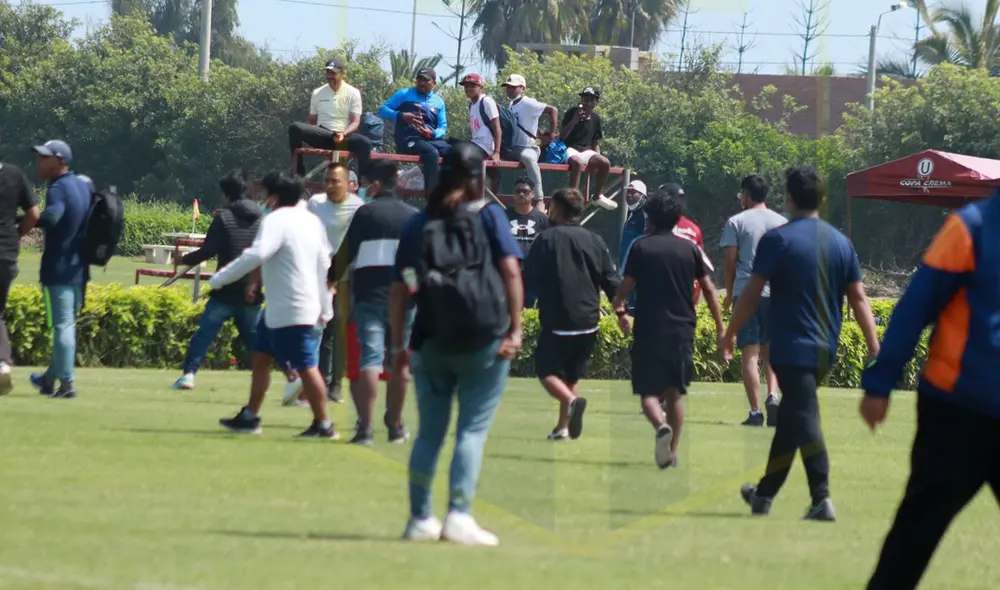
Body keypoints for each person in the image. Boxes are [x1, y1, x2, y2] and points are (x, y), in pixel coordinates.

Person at [720, 167, 880, 522]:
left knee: (805, 418)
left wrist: (729, 333)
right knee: (793, 417)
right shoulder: (841, 242)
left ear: (789, 199)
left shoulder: (778, 240)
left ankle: (821, 498)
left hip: (792, 347)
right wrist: (873, 346)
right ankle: (763, 495)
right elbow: (859, 299)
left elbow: (749, 295)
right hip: (826, 348)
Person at [859, 191, 1000, 589]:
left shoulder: (970, 226)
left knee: (914, 533)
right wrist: (880, 382)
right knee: (915, 534)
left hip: (958, 404)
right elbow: (915, 308)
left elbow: (913, 309)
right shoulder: (969, 228)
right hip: (958, 412)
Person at [391, 141, 523, 546]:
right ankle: (459, 515)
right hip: (485, 337)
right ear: (477, 178)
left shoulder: (417, 222)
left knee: (429, 433)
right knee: (471, 431)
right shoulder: (489, 217)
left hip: (431, 338)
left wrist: (399, 344)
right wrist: (515, 329)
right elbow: (511, 272)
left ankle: (419, 519)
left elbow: (404, 285)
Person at [214, 171, 337, 439]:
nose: (261, 199)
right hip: (281, 308)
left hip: (292, 308)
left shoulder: (276, 220)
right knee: (260, 357)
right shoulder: (311, 221)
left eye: (264, 194)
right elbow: (324, 264)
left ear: (274, 197)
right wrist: (326, 304)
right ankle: (250, 417)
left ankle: (324, 425)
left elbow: (257, 254)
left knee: (306, 366)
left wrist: (221, 278)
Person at [612, 192, 725, 469]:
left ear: (649, 219)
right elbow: (709, 290)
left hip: (649, 327)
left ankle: (660, 425)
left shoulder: (641, 247)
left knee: (648, 392)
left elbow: (624, 289)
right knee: (675, 393)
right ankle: (671, 454)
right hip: (682, 328)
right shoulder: (690, 249)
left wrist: (620, 311)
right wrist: (722, 328)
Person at [330, 160, 418, 445]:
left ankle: (365, 429)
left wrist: (330, 278)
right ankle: (394, 426)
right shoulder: (412, 216)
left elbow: (344, 255)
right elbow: (418, 264)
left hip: (368, 297)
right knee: (399, 365)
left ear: (376, 185)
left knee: (369, 360)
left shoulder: (365, 213)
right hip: (403, 302)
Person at [526, 188, 619, 441]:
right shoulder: (595, 240)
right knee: (570, 374)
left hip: (559, 318)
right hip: (589, 321)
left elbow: (528, 280)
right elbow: (611, 279)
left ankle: (572, 400)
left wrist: (516, 308)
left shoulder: (545, 239)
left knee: (546, 372)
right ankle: (562, 428)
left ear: (557, 209)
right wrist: (621, 312)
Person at [172, 170, 263, 391]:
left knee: (204, 335)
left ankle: (189, 375)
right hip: (251, 288)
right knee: (257, 342)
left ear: (226, 195)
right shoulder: (262, 217)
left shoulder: (223, 217)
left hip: (225, 289)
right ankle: (276, 379)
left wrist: (182, 258)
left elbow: (208, 251)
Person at [720, 175, 787, 427]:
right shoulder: (782, 222)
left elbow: (729, 262)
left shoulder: (736, 222)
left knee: (750, 352)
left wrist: (728, 293)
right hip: (777, 293)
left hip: (746, 292)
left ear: (746, 194)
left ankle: (756, 412)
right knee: (772, 351)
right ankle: (773, 395)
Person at [29, 140, 91, 400]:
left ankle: (67, 385)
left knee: (62, 326)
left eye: (45, 158)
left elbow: (53, 216)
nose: (39, 162)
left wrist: (26, 219)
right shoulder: (83, 186)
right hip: (80, 268)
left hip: (59, 268)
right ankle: (49, 379)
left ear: (60, 161)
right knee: (68, 324)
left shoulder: (57, 188)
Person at [308, 162, 365, 404]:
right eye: (327, 181)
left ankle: (336, 385)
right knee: (320, 328)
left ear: (349, 184)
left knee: (339, 331)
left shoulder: (358, 207)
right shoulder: (315, 204)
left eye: (336, 181)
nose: (330, 185)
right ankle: (318, 380)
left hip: (345, 276)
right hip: (318, 274)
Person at [0, 135, 40, 395]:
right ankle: (2, 362)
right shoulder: (14, 175)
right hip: (5, 252)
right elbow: (34, 214)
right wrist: (17, 235)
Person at [288, 58, 371, 177]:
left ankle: (364, 183)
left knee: (365, 143)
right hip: (324, 135)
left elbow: (355, 122)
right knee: (295, 128)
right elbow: (311, 121)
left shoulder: (353, 92)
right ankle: (298, 173)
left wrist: (344, 133)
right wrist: (309, 133)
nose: (330, 76)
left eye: (333, 73)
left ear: (342, 74)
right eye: (328, 72)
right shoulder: (317, 93)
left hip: (344, 137)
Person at [378, 68, 449, 193]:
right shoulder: (404, 94)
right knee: (431, 153)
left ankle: (449, 192)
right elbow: (382, 110)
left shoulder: (439, 102)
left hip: (429, 139)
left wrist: (432, 133)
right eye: (419, 79)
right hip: (408, 139)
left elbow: (443, 127)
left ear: (434, 83)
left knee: (454, 152)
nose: (421, 83)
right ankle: (432, 197)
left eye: (425, 80)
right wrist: (402, 116)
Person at [501, 74, 558, 204]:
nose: (509, 89)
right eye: (508, 87)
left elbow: (552, 110)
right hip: (513, 148)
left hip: (528, 147)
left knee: (528, 158)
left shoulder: (527, 102)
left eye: (513, 87)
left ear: (522, 88)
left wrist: (551, 133)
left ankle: (539, 199)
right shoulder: (511, 105)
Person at [560, 87, 616, 212]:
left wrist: (597, 160)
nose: (586, 102)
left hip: (585, 151)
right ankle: (571, 198)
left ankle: (597, 196)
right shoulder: (572, 112)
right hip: (569, 148)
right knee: (577, 162)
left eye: (590, 100)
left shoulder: (596, 118)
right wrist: (575, 120)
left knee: (605, 162)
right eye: (584, 99)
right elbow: (562, 137)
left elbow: (595, 142)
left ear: (596, 102)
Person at [659, 182, 712, 306]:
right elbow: (701, 268)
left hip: (665, 298)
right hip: (690, 296)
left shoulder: (658, 227)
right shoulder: (694, 229)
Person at [505, 177, 548, 307]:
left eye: (525, 191)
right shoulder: (503, 216)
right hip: (510, 273)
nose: (521, 194)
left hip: (534, 275)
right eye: (518, 191)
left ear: (533, 194)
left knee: (532, 308)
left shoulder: (543, 219)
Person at [458, 73, 502, 194]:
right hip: (476, 144)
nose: (468, 89)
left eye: (472, 85)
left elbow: (497, 128)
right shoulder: (472, 105)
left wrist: (497, 152)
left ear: (480, 87)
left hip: (486, 147)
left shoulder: (487, 101)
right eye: (466, 86)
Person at [619, 179, 648, 313]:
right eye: (628, 192)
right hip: (627, 266)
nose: (629, 195)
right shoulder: (632, 213)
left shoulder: (644, 214)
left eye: (633, 192)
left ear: (642, 196)